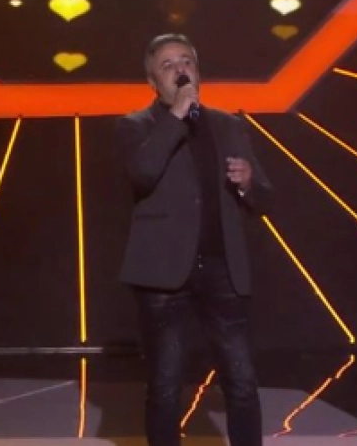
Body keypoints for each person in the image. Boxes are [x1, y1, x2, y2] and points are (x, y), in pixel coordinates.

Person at [115, 33, 273, 446]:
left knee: (242, 381)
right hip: (163, 276)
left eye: (186, 61)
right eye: (167, 65)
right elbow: (142, 173)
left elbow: (264, 197)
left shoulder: (228, 125)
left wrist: (249, 183)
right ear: (153, 81)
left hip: (222, 270)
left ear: (198, 72)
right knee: (166, 386)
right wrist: (176, 117)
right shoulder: (135, 126)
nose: (180, 70)